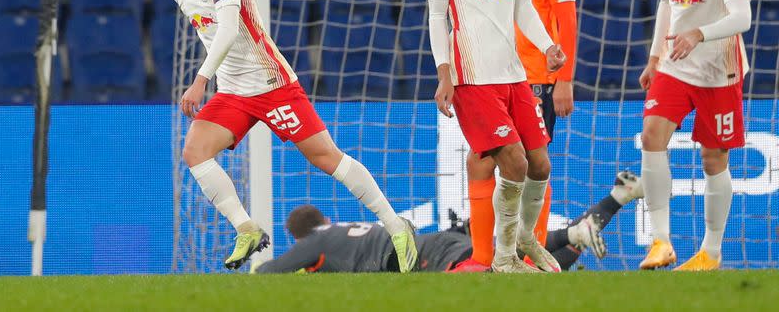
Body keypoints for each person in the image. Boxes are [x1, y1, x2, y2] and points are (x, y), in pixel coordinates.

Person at [146, 0, 417, 272]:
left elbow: (227, 29)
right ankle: (247, 229)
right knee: (195, 151)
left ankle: (395, 225)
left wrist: (199, 82)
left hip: (271, 84)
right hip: (234, 92)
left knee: (325, 158)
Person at [426, 0, 567, 273]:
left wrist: (548, 46)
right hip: (473, 78)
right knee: (515, 163)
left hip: (515, 75)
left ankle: (525, 240)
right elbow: (437, 17)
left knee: (541, 164)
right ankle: (503, 258)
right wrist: (444, 73)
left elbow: (522, 4)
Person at [638, 0, 752, 271]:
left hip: (719, 68)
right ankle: (661, 242)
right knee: (652, 134)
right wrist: (654, 58)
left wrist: (700, 33)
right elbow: (668, 4)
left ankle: (711, 253)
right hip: (674, 63)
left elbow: (744, 16)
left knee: (713, 158)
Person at [254, 171, 643, 273]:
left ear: (299, 237)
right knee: (524, 266)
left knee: (500, 278)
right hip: (437, 242)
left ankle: (577, 233)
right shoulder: (344, 230)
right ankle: (613, 202)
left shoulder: (316, 244)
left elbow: (271, 269)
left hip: (433, 256)